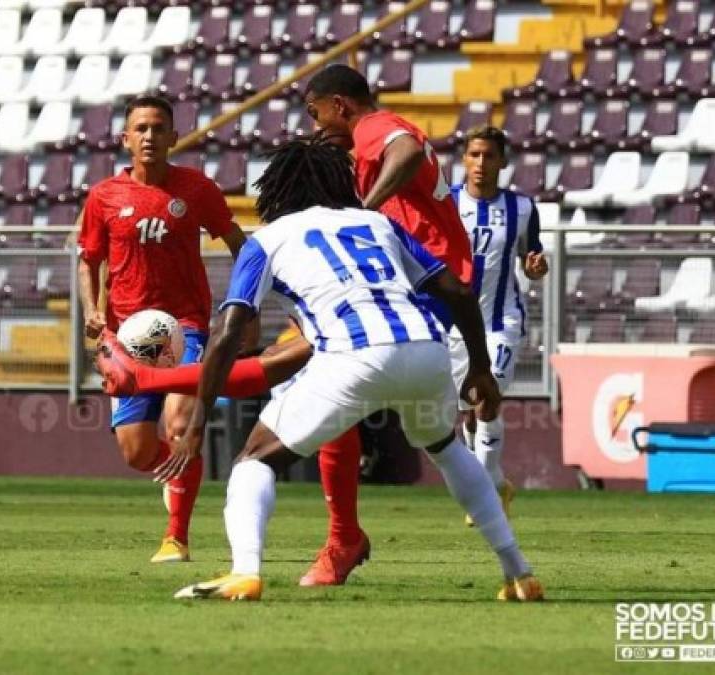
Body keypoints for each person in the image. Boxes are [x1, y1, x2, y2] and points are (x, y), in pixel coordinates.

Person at [98, 64, 491, 588]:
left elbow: (408, 150)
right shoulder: (361, 157)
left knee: (291, 369)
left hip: (413, 286)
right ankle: (352, 536)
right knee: (313, 381)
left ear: (340, 106)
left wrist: (359, 213)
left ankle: (332, 540)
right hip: (405, 286)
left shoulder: (371, 128)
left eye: (315, 114)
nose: (315, 128)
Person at [159, 138, 543, 602]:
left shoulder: (266, 240)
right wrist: (479, 369)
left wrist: (198, 417)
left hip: (354, 355)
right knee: (447, 448)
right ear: (340, 181)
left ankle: (245, 571)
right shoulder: (377, 222)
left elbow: (226, 332)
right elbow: (458, 292)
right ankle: (518, 571)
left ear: (278, 190)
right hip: (425, 348)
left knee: (255, 460)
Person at [77, 95, 254, 564]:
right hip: (125, 336)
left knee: (179, 423)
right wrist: (91, 311)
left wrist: (247, 305)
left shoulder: (196, 189)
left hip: (185, 328)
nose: (150, 136)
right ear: (125, 138)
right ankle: (181, 477)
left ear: (173, 137)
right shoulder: (104, 197)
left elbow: (242, 244)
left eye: (159, 128)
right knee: (136, 452)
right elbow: (88, 260)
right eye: (141, 128)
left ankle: (176, 536)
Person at [451, 126, 549, 524]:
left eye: (489, 156)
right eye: (474, 155)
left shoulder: (522, 208)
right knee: (468, 413)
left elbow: (533, 258)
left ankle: (487, 486)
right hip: (453, 326)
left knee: (486, 395)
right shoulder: (447, 203)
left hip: (501, 320)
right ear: (464, 159)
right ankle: (495, 482)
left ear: (503, 162)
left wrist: (536, 267)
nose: (480, 164)